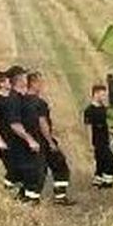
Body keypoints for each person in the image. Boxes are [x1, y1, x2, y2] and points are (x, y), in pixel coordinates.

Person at [27, 71, 72, 204]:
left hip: (31, 140)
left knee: (40, 169)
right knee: (58, 165)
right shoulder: (39, 103)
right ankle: (56, 197)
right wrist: (50, 142)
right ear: (33, 83)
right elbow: (42, 123)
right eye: (40, 82)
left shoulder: (22, 101)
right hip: (42, 140)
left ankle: (33, 199)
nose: (42, 85)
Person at [2, 67, 43, 203]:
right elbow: (15, 124)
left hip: (24, 144)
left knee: (32, 173)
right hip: (20, 145)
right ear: (19, 79)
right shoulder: (13, 99)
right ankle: (30, 202)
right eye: (25, 77)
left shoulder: (20, 97)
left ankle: (24, 199)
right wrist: (30, 140)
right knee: (32, 173)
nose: (27, 79)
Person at [83, 84, 113, 189]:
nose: (104, 97)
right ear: (96, 94)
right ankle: (107, 184)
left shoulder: (104, 109)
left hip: (105, 140)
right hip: (97, 142)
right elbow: (88, 128)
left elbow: (108, 125)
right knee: (112, 162)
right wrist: (89, 144)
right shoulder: (89, 110)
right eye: (102, 95)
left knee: (101, 164)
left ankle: (97, 183)